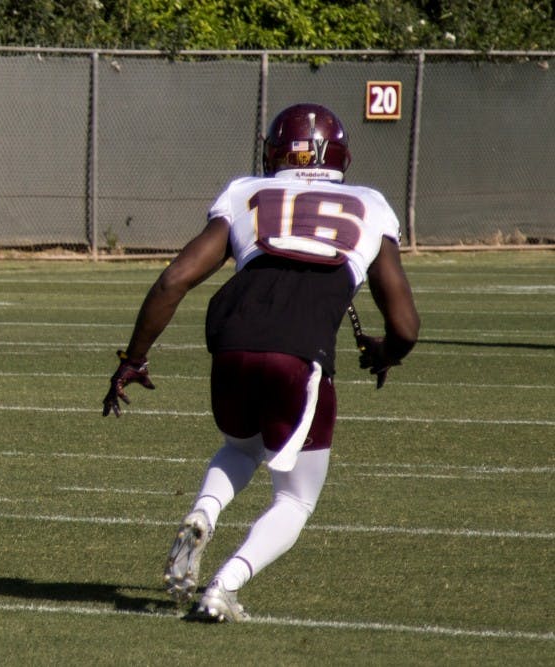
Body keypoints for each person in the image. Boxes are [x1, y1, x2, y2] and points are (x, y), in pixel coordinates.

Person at [102, 103, 420, 621]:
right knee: (295, 500)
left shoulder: (246, 191)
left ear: (273, 151)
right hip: (299, 353)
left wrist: (132, 359)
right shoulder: (370, 204)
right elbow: (406, 325)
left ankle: (204, 512)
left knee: (241, 446)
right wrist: (386, 352)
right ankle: (222, 586)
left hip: (231, 340)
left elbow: (174, 279)